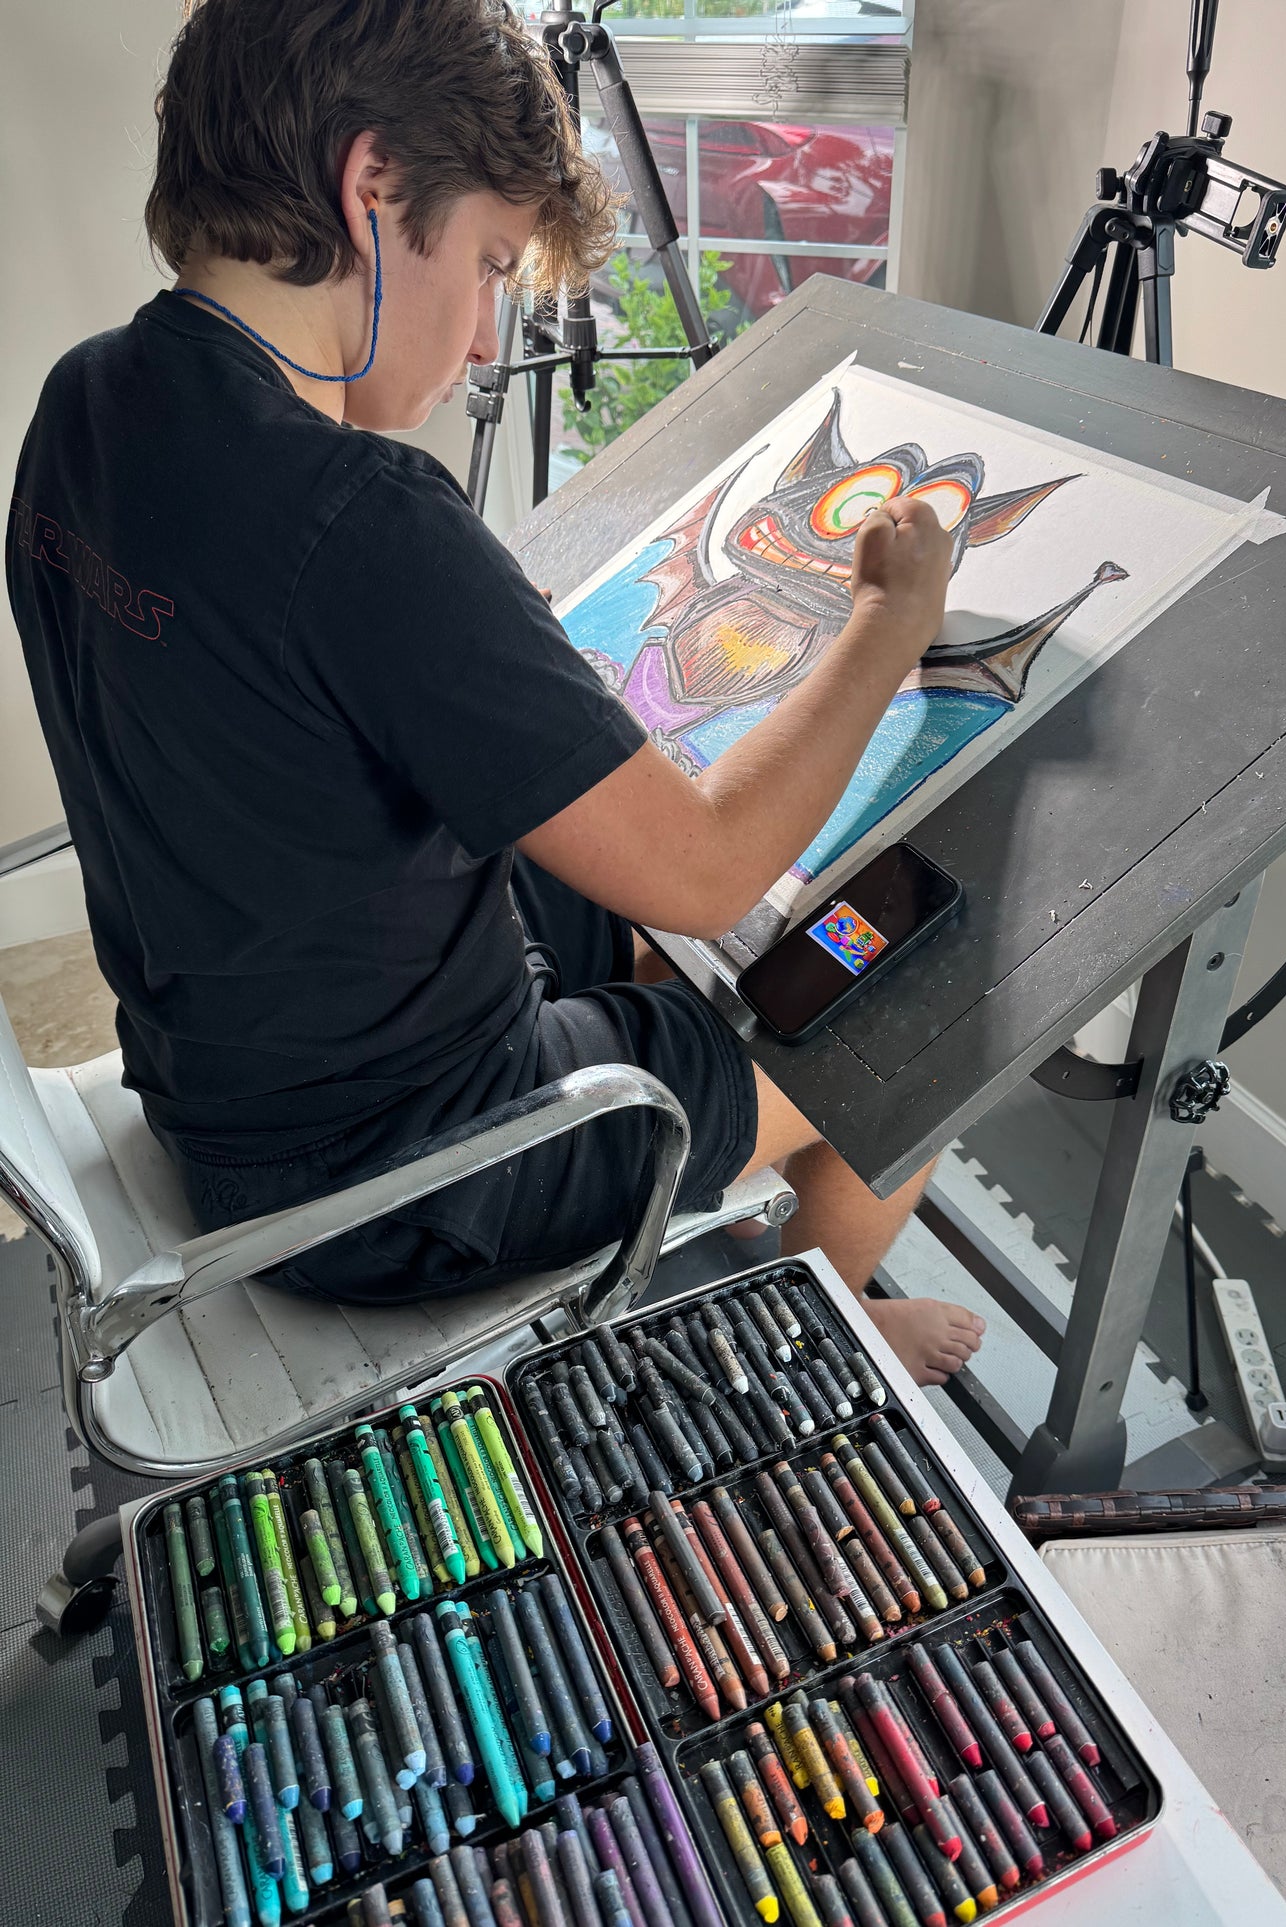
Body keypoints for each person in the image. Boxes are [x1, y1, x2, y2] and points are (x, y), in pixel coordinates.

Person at [6, 0, 983, 1386]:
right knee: (910, 1019)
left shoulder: (87, 400)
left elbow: (276, 699)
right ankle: (808, 1338)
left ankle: (732, 1212)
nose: (482, 342)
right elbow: (706, 870)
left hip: (222, 1078)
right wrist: (886, 623)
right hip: (401, 1184)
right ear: (372, 186)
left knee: (663, 926)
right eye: (488, 265)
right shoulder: (362, 516)